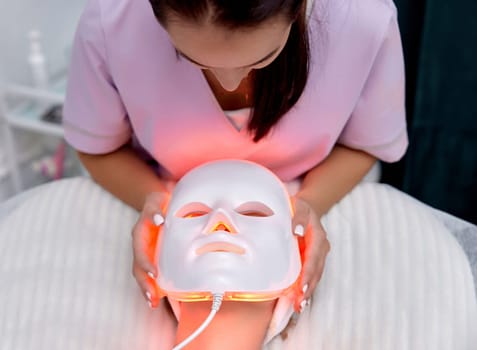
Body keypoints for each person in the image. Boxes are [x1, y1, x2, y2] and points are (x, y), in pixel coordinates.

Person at [63, 0, 407, 347]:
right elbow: (98, 147)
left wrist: (310, 204)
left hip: (317, 185)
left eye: (261, 57)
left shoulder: (364, 20)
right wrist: (154, 200)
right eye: (194, 59)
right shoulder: (111, 21)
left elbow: (366, 143)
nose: (230, 83)